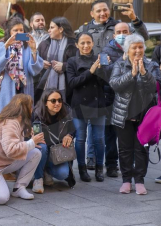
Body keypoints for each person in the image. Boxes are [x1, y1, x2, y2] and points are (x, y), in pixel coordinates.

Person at [109, 33, 160, 195]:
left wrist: (143, 72)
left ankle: (139, 180)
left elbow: (153, 87)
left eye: (140, 47)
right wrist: (131, 74)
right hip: (123, 114)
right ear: (127, 49)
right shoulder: (120, 64)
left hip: (144, 116)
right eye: (134, 47)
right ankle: (126, 180)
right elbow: (114, 84)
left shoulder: (151, 64)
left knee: (141, 149)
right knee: (124, 149)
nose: (138, 50)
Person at [0, 94, 43, 204]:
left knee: (35, 153)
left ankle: (19, 188)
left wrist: (30, 141)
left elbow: (12, 144)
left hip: (6, 162)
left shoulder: (18, 120)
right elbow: (11, 150)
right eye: (30, 107)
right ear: (24, 108)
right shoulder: (10, 123)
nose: (32, 109)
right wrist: (31, 143)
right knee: (1, 198)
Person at [66, 33, 109, 182]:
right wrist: (91, 71)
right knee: (80, 139)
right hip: (79, 104)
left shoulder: (99, 58)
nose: (86, 46)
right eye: (82, 43)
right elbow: (72, 83)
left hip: (98, 104)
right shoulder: (71, 61)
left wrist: (104, 69)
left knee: (100, 139)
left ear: (93, 43)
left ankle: (99, 169)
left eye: (88, 42)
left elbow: (106, 82)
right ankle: (82, 169)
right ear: (77, 45)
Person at [93, 22, 133, 177]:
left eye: (125, 31)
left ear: (130, 33)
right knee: (110, 135)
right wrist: (122, 59)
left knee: (129, 134)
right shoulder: (106, 51)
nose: (122, 34)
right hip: (110, 97)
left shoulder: (135, 48)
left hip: (130, 99)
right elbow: (105, 73)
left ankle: (129, 165)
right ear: (114, 35)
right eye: (119, 32)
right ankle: (111, 165)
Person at [0, 17, 43, 113]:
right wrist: (6, 45)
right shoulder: (1, 46)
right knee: (7, 120)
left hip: (24, 90)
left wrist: (34, 50)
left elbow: (35, 70)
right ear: (9, 32)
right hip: (7, 91)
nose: (19, 33)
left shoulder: (27, 47)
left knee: (24, 120)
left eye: (21, 30)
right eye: (15, 30)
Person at [32, 89, 76, 193]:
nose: (57, 103)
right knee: (41, 146)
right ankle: (38, 178)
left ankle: (46, 171)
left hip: (57, 153)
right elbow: (31, 135)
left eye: (60, 100)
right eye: (53, 101)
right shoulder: (37, 114)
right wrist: (32, 134)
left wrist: (69, 135)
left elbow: (73, 129)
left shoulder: (66, 112)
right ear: (45, 103)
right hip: (42, 151)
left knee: (63, 174)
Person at [76, 0, 148, 54]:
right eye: (98, 11)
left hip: (116, 68)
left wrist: (134, 19)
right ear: (92, 14)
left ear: (109, 10)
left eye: (105, 10)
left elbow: (143, 37)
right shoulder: (84, 29)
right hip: (92, 69)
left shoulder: (119, 26)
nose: (103, 13)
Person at [36, 17, 77, 104]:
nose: (49, 30)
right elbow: (34, 61)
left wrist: (65, 66)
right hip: (44, 86)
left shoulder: (73, 44)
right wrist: (40, 63)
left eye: (52, 27)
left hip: (67, 88)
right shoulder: (44, 44)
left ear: (61, 29)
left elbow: (79, 63)